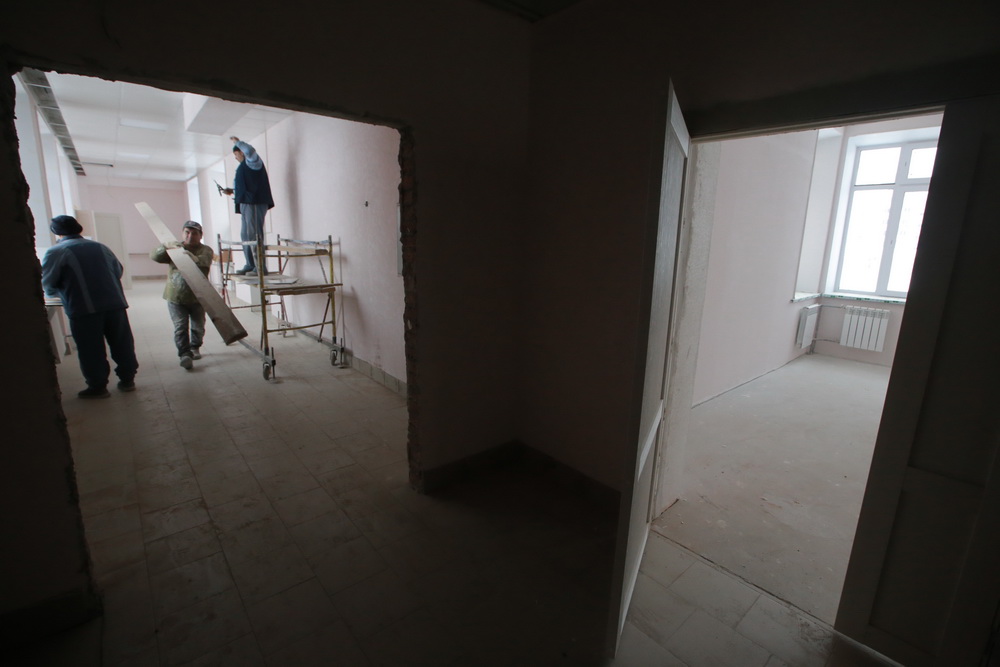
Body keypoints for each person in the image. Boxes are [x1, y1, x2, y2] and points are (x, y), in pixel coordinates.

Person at [41, 215, 139, 398]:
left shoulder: (56, 252)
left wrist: (60, 293)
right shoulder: (100, 247)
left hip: (83, 309)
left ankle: (98, 387)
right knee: (122, 343)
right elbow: (118, 270)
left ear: (56, 232)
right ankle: (128, 380)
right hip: (115, 304)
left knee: (91, 349)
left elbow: (48, 282)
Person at [150, 220, 214, 370]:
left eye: (195, 233)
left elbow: (205, 261)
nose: (190, 236)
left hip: (198, 296)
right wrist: (165, 247)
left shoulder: (205, 250)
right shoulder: (175, 249)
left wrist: (193, 258)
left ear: (201, 235)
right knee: (180, 327)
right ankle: (184, 354)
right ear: (182, 233)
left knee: (198, 326)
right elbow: (155, 256)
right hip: (176, 296)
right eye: (187, 232)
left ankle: (195, 347)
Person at [221, 135, 274, 276]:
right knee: (245, 235)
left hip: (255, 202)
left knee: (254, 234)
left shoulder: (253, 162)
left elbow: (250, 150)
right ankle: (250, 265)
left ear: (241, 152)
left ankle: (260, 267)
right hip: (245, 203)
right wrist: (232, 191)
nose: (236, 158)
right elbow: (246, 185)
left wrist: (237, 142)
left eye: (236, 155)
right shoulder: (243, 167)